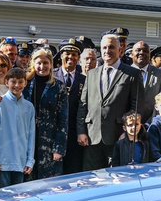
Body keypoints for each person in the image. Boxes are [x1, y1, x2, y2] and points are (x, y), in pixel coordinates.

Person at [77, 33, 139, 170]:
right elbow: (83, 105)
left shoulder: (132, 74)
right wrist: (81, 131)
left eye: (111, 47)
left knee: (117, 179)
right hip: (92, 137)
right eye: (104, 47)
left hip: (118, 137)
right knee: (92, 181)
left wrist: (127, 131)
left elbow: (136, 106)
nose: (107, 51)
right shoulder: (92, 74)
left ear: (120, 50)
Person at [22, 49, 67, 180]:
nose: (42, 67)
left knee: (48, 184)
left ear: (51, 64)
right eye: (39, 63)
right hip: (26, 140)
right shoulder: (25, 84)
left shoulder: (59, 86)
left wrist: (59, 148)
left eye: (46, 63)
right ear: (33, 64)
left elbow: (63, 119)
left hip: (49, 142)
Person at [0, 68, 35, 186]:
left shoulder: (29, 107)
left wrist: (30, 161)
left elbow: (31, 135)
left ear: (25, 83)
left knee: (18, 200)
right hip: (3, 163)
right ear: (6, 82)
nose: (17, 85)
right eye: (13, 82)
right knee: (3, 199)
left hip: (21, 163)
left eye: (20, 82)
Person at [54, 41, 86, 173]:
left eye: (74, 54)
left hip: (74, 134)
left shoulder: (84, 80)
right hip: (54, 133)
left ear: (78, 58)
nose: (70, 57)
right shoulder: (52, 76)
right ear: (61, 55)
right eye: (67, 53)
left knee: (73, 172)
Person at [131, 40, 161, 123]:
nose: (141, 53)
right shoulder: (124, 73)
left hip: (151, 125)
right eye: (138, 50)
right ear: (132, 54)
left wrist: (151, 123)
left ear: (149, 55)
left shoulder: (160, 74)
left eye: (145, 51)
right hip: (128, 125)